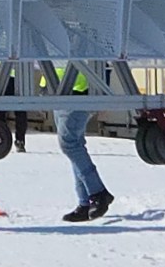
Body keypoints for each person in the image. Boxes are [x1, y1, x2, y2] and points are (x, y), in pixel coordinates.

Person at [44, 64, 113, 223]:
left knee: (70, 144)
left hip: (80, 89)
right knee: (75, 146)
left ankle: (98, 193)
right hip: (61, 88)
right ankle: (86, 201)